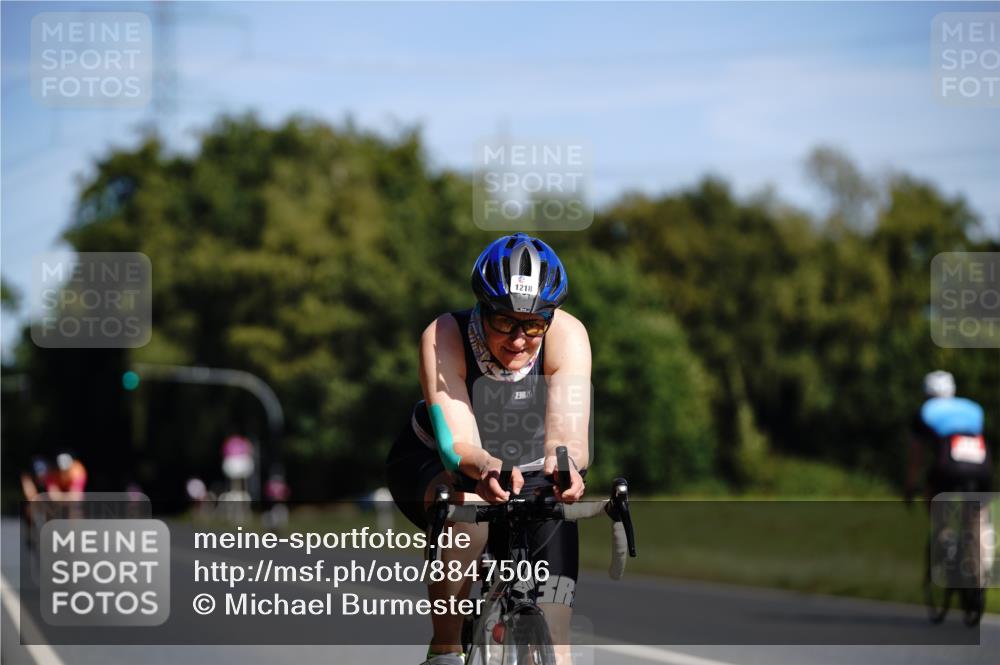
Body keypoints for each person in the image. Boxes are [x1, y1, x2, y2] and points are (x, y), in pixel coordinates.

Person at [386, 233, 590, 665]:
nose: (518, 339)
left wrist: (567, 467)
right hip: (436, 461)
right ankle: (445, 648)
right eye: (504, 321)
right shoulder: (444, 334)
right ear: (482, 308)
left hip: (529, 468)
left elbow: (568, 434)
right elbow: (457, 443)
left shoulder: (568, 335)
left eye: (533, 324)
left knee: (556, 634)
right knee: (469, 509)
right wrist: (487, 466)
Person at [907, 370, 994, 585]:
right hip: (982, 468)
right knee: (978, 515)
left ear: (926, 394)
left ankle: (946, 539)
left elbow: (917, 455)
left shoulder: (925, 411)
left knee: (935, 500)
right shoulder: (973, 408)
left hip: (948, 467)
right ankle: (981, 572)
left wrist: (910, 485)